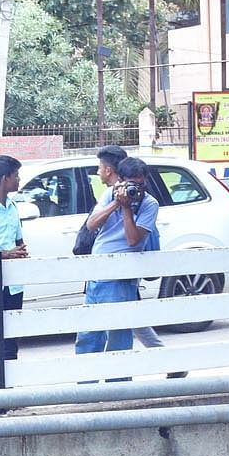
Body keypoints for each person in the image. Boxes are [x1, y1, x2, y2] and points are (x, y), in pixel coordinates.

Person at [76, 147, 157, 356]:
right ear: (120, 180)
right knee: (88, 335)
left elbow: (133, 240)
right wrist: (115, 203)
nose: (136, 189)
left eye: (140, 184)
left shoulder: (149, 204)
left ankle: (118, 386)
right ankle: (87, 386)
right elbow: (92, 224)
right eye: (131, 184)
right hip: (97, 273)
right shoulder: (109, 195)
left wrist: (127, 208)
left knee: (118, 337)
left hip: (121, 278)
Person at [0, 155, 28, 361]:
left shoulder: (13, 207)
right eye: (16, 176)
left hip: (14, 283)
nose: (18, 180)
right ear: (4, 179)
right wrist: (5, 254)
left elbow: (19, 239)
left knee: (12, 336)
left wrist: (20, 252)